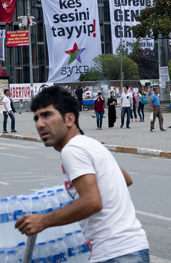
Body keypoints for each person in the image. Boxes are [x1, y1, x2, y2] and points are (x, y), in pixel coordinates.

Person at [15, 86, 150, 262]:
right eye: (36, 118)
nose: (40, 124)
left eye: (47, 115)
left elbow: (92, 202)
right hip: (133, 248)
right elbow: (125, 179)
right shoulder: (91, 144)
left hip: (114, 254)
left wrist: (43, 221)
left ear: (69, 118)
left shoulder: (72, 150)